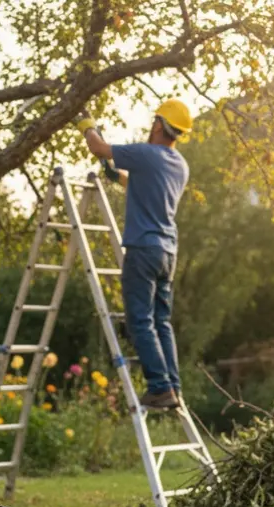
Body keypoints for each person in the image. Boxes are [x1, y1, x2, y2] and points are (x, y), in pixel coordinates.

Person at [75, 100, 192, 410]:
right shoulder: (179, 164)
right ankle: (173, 387)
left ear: (158, 125)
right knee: (162, 322)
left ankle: (159, 386)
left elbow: (99, 148)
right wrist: (114, 176)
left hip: (143, 249)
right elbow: (139, 183)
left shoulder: (145, 154)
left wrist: (87, 125)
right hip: (168, 252)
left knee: (140, 320)